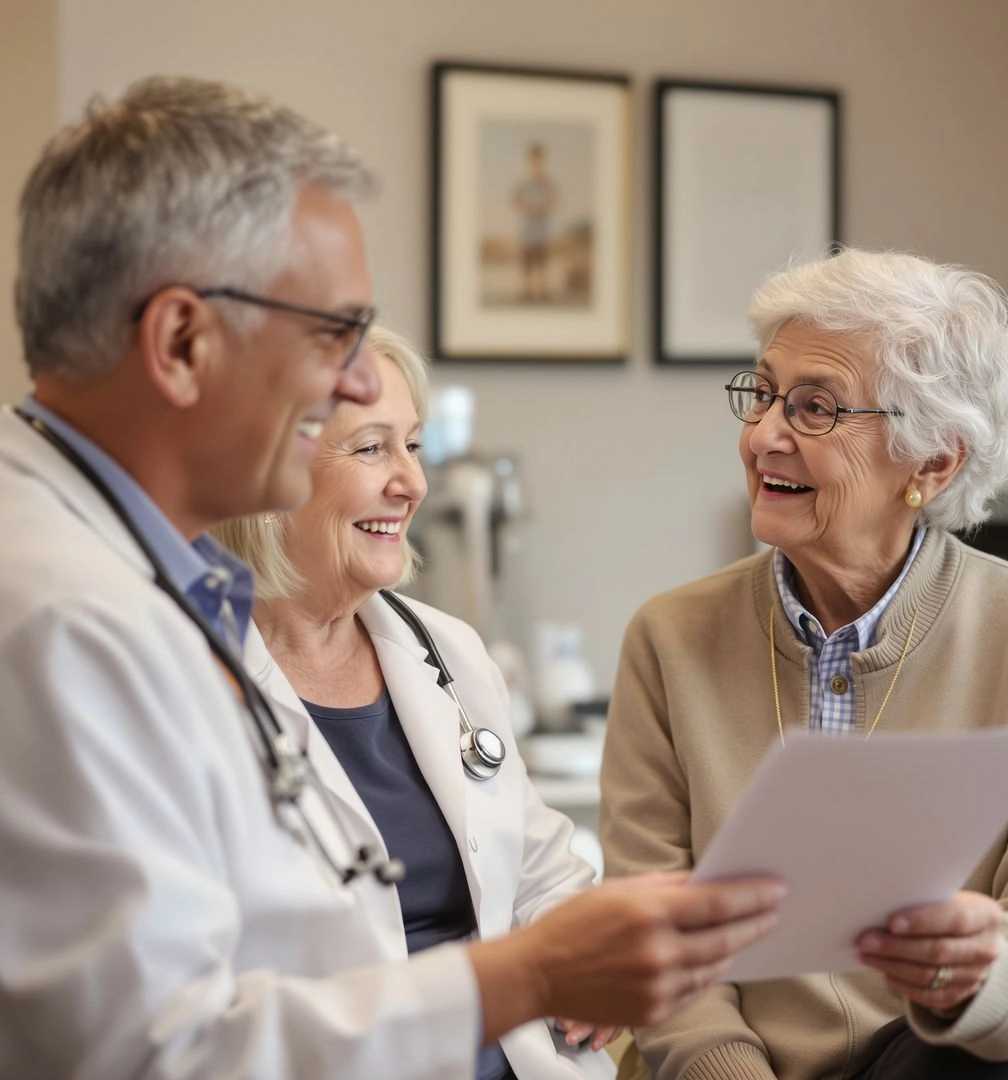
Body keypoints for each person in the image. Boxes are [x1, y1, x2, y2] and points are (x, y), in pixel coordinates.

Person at [0, 75, 785, 1079]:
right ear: (184, 342)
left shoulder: (141, 586)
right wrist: (526, 976)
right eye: (333, 335)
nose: (361, 380)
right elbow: (157, 1058)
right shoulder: (65, 620)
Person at [599, 248, 1008, 1080]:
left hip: (949, 1060)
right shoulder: (669, 639)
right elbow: (652, 935)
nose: (763, 435)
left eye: (815, 408)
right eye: (764, 393)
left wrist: (977, 973)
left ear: (933, 462)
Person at [215, 323, 610, 1077]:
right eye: (371, 448)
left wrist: (582, 954)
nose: (414, 483)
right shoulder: (193, 679)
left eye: (414, 446)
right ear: (268, 477)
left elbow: (544, 874)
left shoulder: (447, 650)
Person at [514, 142, 558, 301]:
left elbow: (552, 203)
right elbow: (516, 202)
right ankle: (527, 291)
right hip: (528, 230)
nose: (536, 163)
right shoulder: (524, 184)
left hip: (542, 230)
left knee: (542, 261)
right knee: (527, 262)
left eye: (539, 160)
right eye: (534, 160)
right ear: (530, 162)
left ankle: (543, 290)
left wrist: (538, 207)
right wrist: (531, 207)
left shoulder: (548, 184)